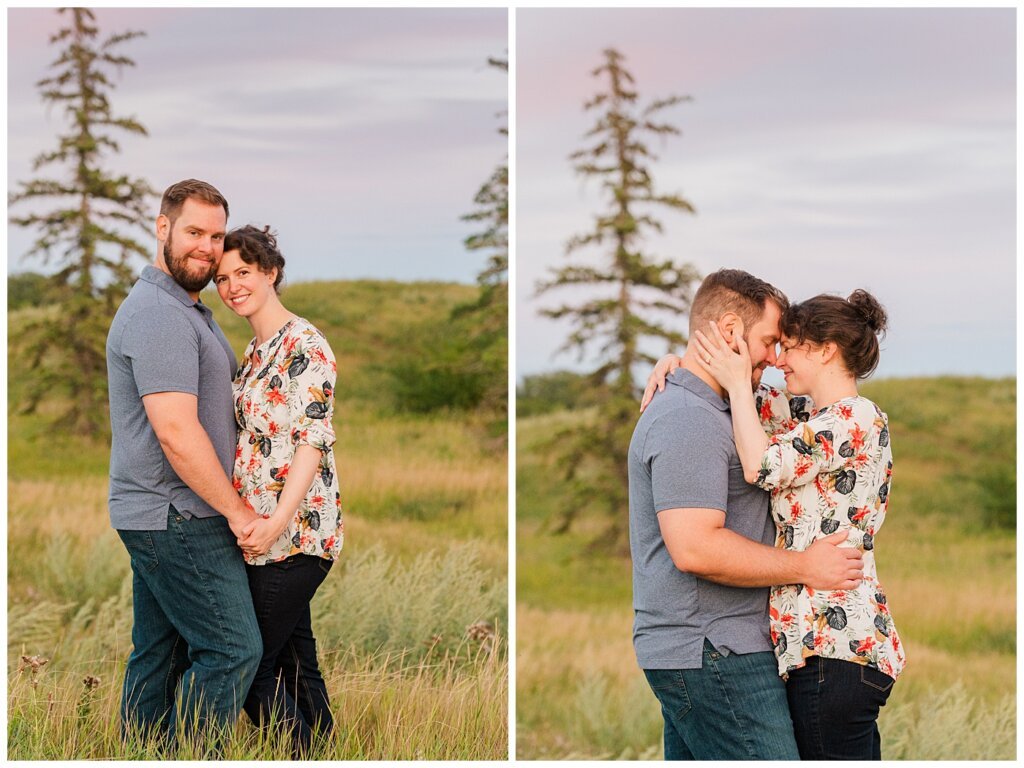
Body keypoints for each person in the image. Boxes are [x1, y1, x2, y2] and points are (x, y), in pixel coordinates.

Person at [627, 269, 865, 760]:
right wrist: (805, 566)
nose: (776, 359)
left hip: (717, 646)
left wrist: (677, 361)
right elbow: (695, 548)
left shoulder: (728, 409)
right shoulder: (687, 419)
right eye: (769, 343)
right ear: (731, 331)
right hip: (714, 649)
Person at [687, 289, 904, 760]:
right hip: (821, 647)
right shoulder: (814, 418)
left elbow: (762, 466)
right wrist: (677, 365)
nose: (780, 360)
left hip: (834, 645)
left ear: (826, 350)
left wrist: (741, 389)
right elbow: (741, 399)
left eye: (792, 346)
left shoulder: (855, 418)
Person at [106, 179, 262, 748]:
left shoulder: (185, 308)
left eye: (217, 236)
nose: (207, 246)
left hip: (164, 511)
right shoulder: (159, 313)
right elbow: (175, 432)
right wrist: (238, 513)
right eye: (194, 231)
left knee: (160, 652)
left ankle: (142, 753)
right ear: (162, 226)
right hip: (177, 513)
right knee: (231, 649)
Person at [214, 225, 343, 757]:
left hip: (295, 535)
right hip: (258, 530)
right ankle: (330, 750)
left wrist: (274, 522)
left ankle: (301, 754)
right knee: (295, 660)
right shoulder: (254, 349)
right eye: (222, 278)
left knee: (246, 662)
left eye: (243, 272)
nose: (232, 286)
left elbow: (312, 442)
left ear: (270, 272)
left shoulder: (305, 345)